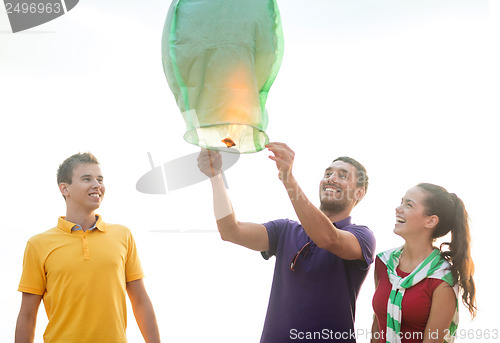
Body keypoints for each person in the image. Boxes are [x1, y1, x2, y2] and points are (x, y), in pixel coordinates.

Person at [198, 142, 376, 343]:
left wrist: (287, 178)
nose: (331, 179)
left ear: (359, 193)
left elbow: (328, 238)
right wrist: (216, 176)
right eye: (328, 174)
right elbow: (231, 230)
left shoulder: (362, 236)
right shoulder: (284, 230)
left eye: (343, 176)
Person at [15, 152, 161, 343]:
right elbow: (27, 314)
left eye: (100, 179)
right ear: (64, 189)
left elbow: (140, 300)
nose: (97, 185)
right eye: (87, 179)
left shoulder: (122, 236)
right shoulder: (38, 244)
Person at [371, 183, 476, 343]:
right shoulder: (384, 262)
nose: (398, 209)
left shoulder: (442, 278)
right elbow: (377, 326)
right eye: (402, 202)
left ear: (431, 221)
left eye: (409, 204)